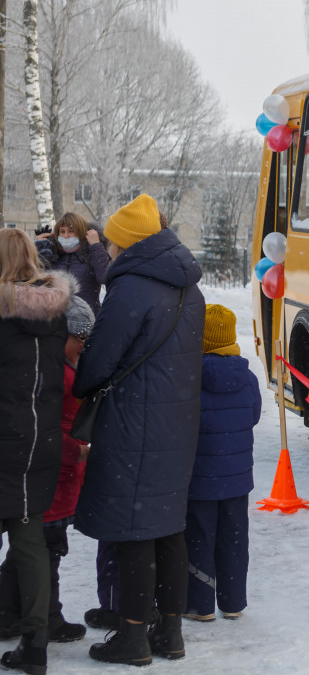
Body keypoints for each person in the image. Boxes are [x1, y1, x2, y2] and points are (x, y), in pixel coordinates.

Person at [71, 194, 205, 666]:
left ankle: (131, 637)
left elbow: (98, 364)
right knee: (168, 527)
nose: (107, 249)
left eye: (111, 241)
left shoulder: (131, 289)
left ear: (127, 244)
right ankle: (169, 633)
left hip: (134, 424)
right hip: (178, 425)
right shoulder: (190, 288)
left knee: (133, 531)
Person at [0, 297, 94, 647]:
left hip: (57, 477)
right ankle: (46, 618)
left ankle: (9, 614)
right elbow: (53, 427)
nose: (82, 346)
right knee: (45, 551)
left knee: (31, 551)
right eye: (79, 338)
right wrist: (78, 451)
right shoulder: (58, 373)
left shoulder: (61, 365)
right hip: (52, 477)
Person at [0, 228, 72, 675]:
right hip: (39, 442)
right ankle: (36, 643)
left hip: (5, 438)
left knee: (29, 546)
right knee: (30, 544)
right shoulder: (55, 313)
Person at [183, 304, 261, 623]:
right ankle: (233, 602)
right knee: (234, 539)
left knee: (199, 539)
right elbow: (253, 416)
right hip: (237, 479)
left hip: (199, 479)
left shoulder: (189, 378)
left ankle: (200, 605)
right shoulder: (248, 379)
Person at [34, 214, 108, 316]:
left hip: (86, 319)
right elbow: (35, 281)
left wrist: (96, 246)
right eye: (62, 231)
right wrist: (39, 251)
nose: (66, 236)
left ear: (81, 233)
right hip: (55, 321)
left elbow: (104, 277)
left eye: (71, 231)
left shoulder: (92, 254)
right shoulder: (52, 254)